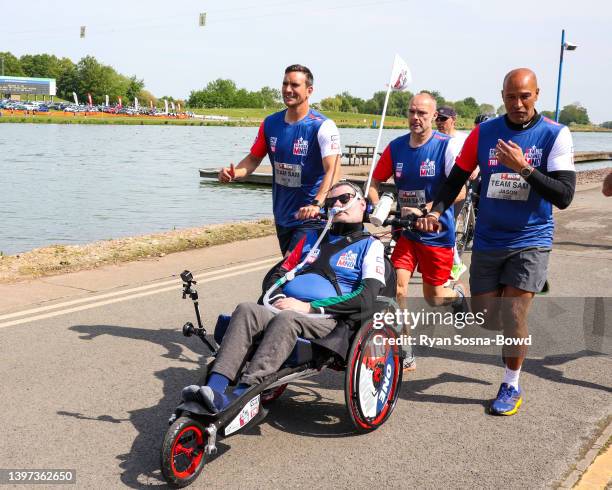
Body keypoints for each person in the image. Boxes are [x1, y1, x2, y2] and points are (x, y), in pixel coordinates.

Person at [416, 68, 576, 416]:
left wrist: (524, 168)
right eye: (510, 97)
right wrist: (435, 208)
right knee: (487, 319)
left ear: (537, 94)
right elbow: (456, 177)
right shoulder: (484, 133)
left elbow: (564, 196)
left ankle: (511, 383)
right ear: (502, 96)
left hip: (531, 238)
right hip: (489, 238)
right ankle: (472, 299)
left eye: (525, 96)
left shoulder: (554, 135)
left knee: (514, 313)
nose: (518, 104)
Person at [183, 182, 388, 412]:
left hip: (324, 318)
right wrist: (277, 296)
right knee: (247, 309)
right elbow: (278, 274)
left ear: (362, 204)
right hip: (285, 306)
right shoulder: (312, 238)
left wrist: (309, 307)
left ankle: (244, 393)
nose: (337, 205)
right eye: (331, 202)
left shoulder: (370, 247)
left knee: (287, 318)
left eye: (344, 198)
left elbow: (366, 297)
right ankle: (213, 389)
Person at [367, 93, 467, 372]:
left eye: (422, 113)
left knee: (434, 297)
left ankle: (457, 295)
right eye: (412, 112)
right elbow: (374, 182)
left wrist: (430, 210)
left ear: (434, 116)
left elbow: (460, 191)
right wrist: (378, 206)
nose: (416, 117)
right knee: (396, 288)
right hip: (406, 234)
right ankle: (405, 349)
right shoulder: (396, 147)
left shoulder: (446, 147)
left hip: (437, 234)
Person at [218, 64, 342, 255]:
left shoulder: (323, 126)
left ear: (309, 91)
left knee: (288, 274)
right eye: (285, 84)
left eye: (294, 85)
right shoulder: (270, 123)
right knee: (295, 274)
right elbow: (253, 159)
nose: (288, 90)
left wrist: (316, 203)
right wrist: (234, 173)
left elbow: (333, 171)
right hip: (282, 216)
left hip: (311, 218)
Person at [436, 106, 468, 280]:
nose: (440, 122)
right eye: (438, 119)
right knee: (443, 223)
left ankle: (456, 263)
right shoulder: (435, 139)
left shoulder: (463, 139)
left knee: (447, 223)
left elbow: (475, 157)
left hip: (459, 186)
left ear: (453, 119)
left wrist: (475, 170)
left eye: (444, 119)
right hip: (441, 186)